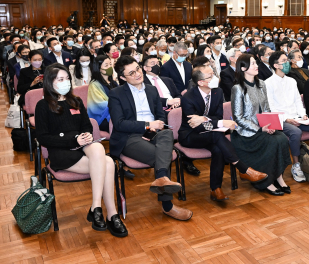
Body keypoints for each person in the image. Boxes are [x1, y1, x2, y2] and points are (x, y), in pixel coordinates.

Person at [35, 63, 127, 237]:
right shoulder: (43, 105)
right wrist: (72, 139)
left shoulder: (75, 101)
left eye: (67, 79)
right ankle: (111, 214)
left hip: (82, 147)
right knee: (108, 164)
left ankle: (97, 208)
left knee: (99, 148)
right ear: (50, 82)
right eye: (60, 79)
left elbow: (86, 126)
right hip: (61, 152)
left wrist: (85, 136)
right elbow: (43, 138)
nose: (66, 82)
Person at [108, 56, 192, 221]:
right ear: (123, 77)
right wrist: (147, 125)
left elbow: (161, 117)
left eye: (138, 69)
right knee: (162, 155)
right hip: (129, 137)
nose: (138, 74)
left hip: (155, 133)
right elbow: (119, 124)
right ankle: (167, 204)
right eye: (131, 73)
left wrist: (152, 129)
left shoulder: (151, 89)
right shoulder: (116, 94)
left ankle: (161, 180)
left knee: (167, 133)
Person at [179, 64, 268, 201]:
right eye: (210, 76)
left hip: (210, 134)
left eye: (214, 74)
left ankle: (216, 189)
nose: (215, 78)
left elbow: (217, 116)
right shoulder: (187, 98)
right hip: (190, 135)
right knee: (217, 134)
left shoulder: (217, 92)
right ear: (200, 82)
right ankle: (243, 169)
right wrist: (219, 123)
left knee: (218, 148)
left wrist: (204, 118)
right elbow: (196, 127)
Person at [230, 54, 292, 195]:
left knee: (281, 138)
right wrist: (259, 129)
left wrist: (270, 125)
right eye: (252, 64)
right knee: (272, 142)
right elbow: (238, 118)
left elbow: (267, 109)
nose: (256, 66)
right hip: (246, 133)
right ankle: (267, 182)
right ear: (243, 68)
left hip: (264, 127)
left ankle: (279, 177)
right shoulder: (238, 88)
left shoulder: (261, 84)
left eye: (256, 63)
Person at [265, 51, 309, 182]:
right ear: (275, 65)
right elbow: (270, 107)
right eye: (284, 61)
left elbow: (297, 101)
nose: (287, 63)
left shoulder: (291, 81)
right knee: (296, 132)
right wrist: (286, 119)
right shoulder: (268, 83)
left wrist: (303, 114)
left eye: (287, 60)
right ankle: (296, 165)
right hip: (281, 119)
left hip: (297, 117)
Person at [87, 55, 119, 132]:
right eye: (106, 65)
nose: (110, 67)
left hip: (116, 112)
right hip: (103, 118)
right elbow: (100, 105)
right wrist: (117, 105)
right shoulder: (94, 84)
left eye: (110, 64)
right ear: (99, 68)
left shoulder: (113, 82)